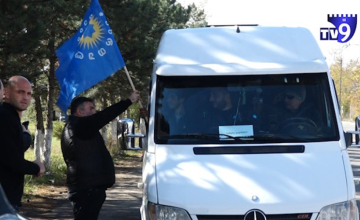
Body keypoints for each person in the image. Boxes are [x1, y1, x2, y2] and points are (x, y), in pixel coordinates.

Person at [61, 91, 141, 220]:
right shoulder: (79, 126)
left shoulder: (79, 127)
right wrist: (128, 101)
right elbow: (104, 116)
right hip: (87, 189)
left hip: (89, 188)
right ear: (79, 112)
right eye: (91, 109)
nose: (94, 112)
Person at [0, 76, 45, 211]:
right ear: (6, 93)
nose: (25, 97)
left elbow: (11, 147)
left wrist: (25, 135)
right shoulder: (5, 116)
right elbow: (12, 160)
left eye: (28, 93)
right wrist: (37, 168)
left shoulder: (11, 117)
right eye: (20, 92)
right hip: (4, 200)